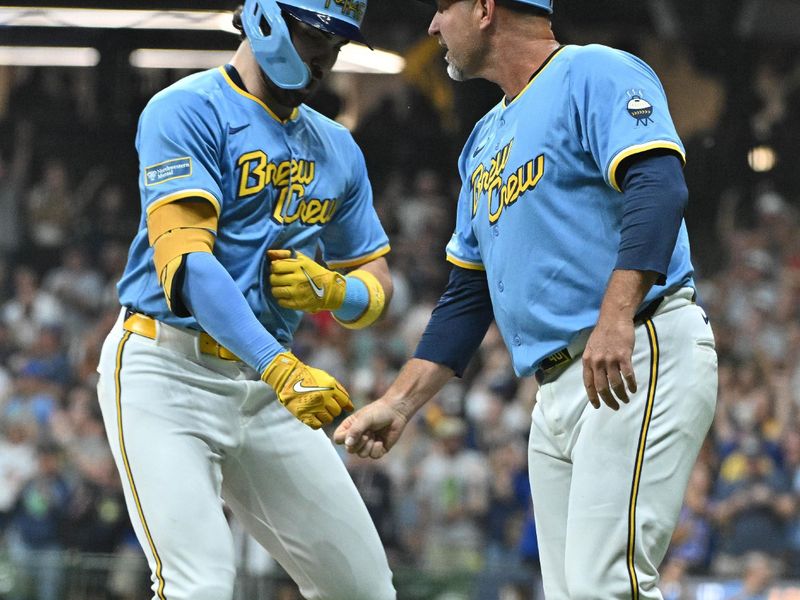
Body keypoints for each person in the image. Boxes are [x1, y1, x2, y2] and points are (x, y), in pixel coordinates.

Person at [334, 0, 718, 597]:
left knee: (605, 586)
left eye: (442, 7)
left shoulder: (595, 71)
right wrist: (400, 403)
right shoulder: (483, 140)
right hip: (557, 386)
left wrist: (615, 315)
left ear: (486, 8)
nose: (433, 25)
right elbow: (467, 295)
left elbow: (659, 185)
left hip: (637, 347)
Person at [95, 1, 396, 598]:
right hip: (167, 370)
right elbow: (189, 267)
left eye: (335, 42)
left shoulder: (336, 145)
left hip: (264, 389)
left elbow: (377, 281)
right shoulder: (186, 108)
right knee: (199, 586)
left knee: (363, 589)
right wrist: (280, 366)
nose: (323, 56)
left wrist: (338, 290)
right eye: (313, 33)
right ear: (264, 17)